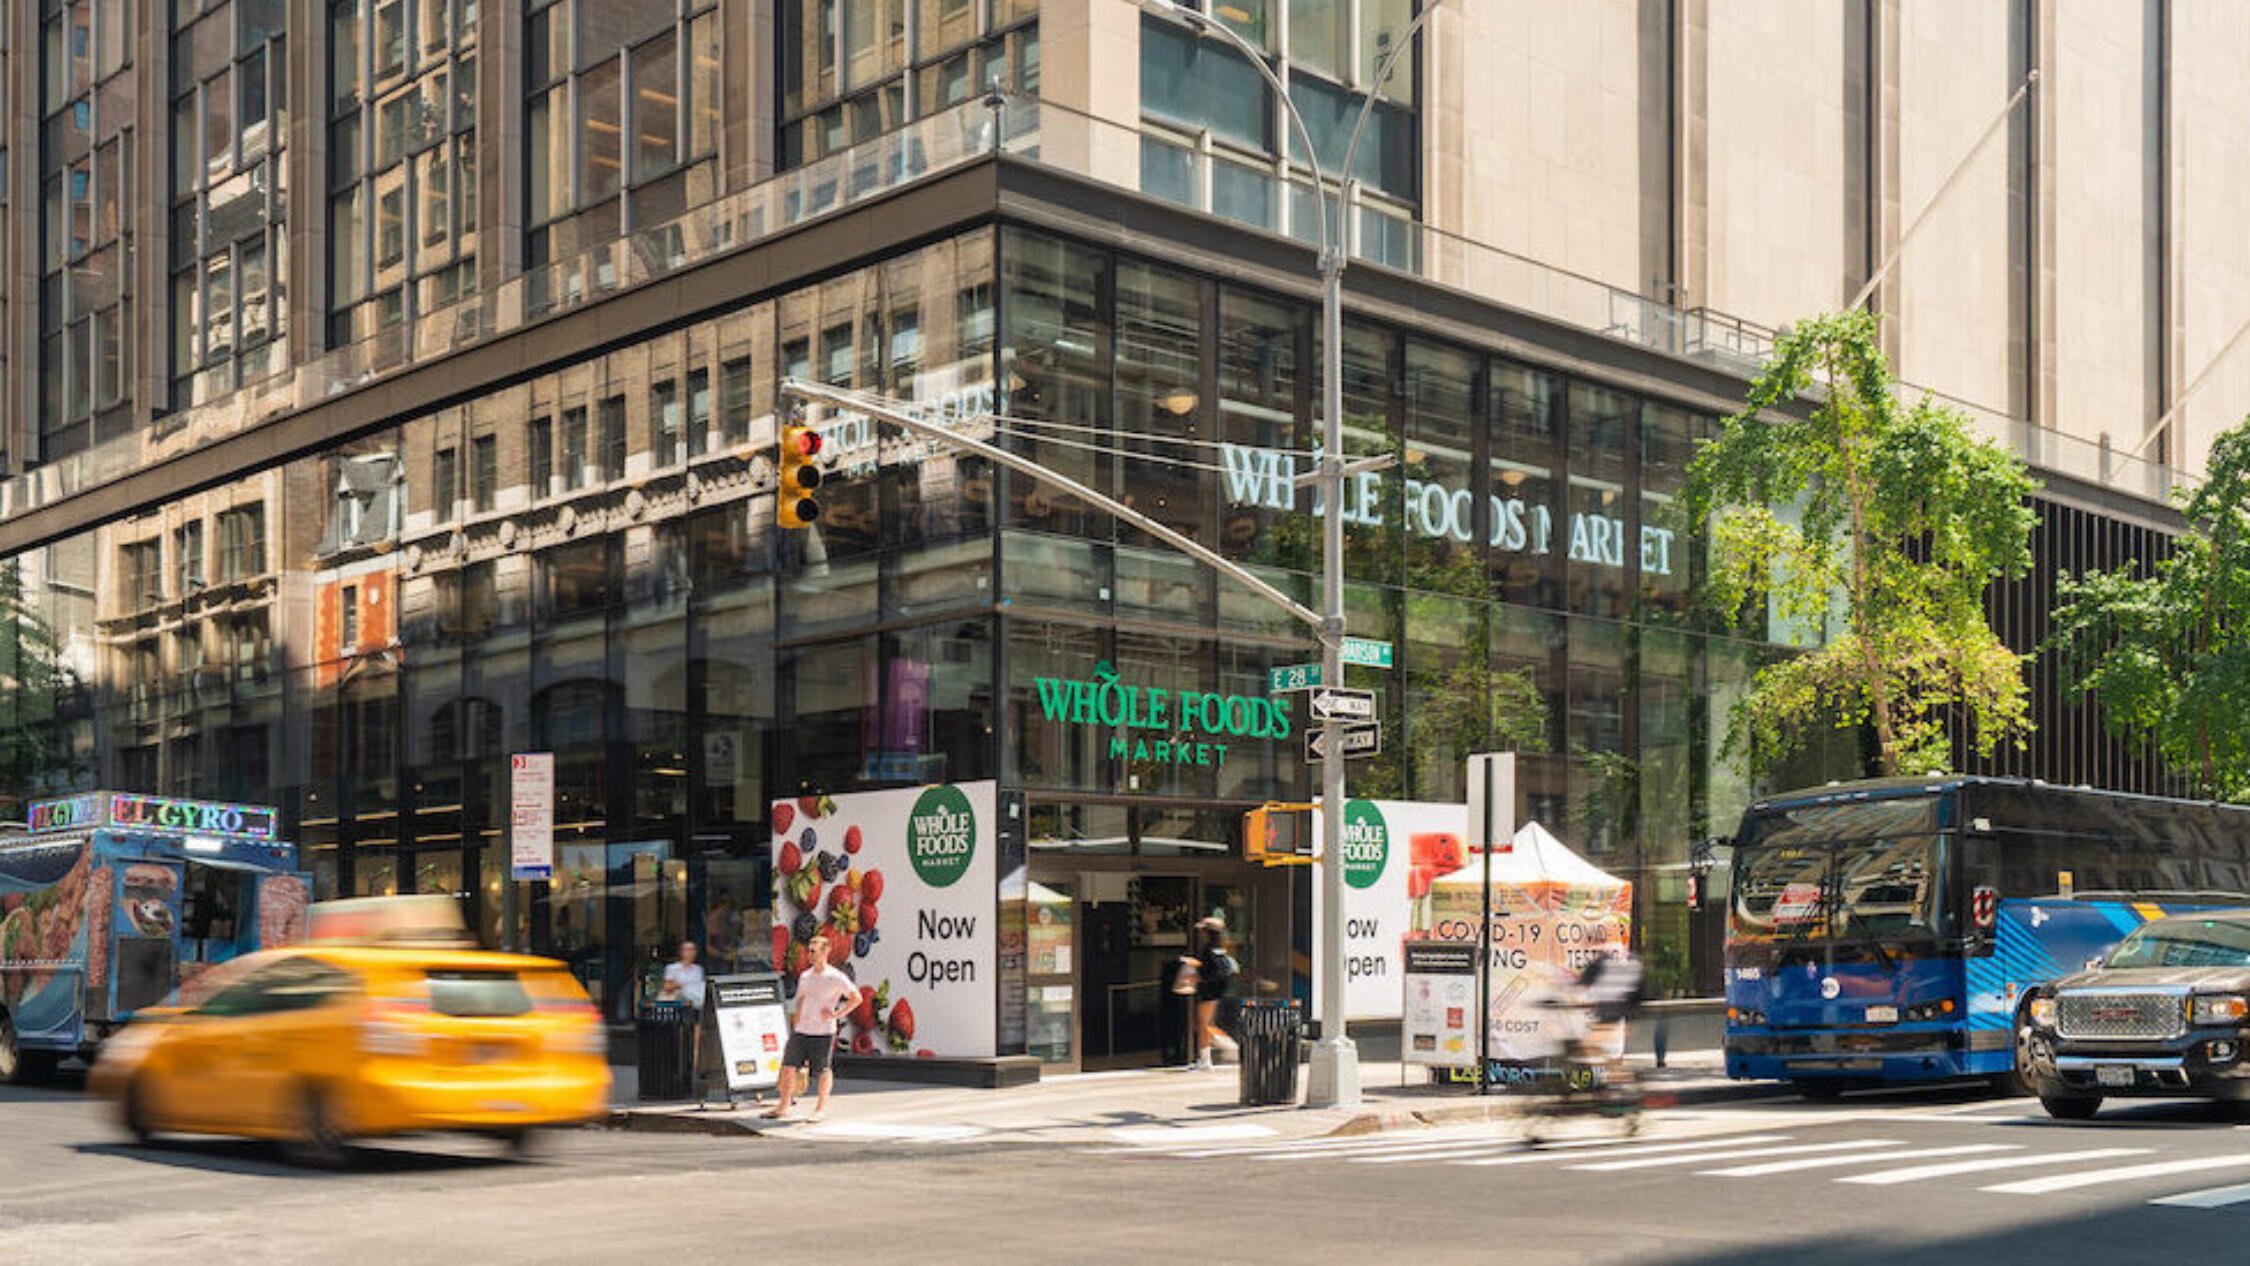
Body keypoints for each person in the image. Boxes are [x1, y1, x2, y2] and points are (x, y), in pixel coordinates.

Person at [765, 935, 858, 1120]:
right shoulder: (805, 976)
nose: (810, 955)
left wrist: (837, 1015)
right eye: (809, 951)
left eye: (814, 951)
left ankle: (820, 1109)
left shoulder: (835, 977)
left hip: (823, 1031)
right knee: (788, 1067)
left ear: (826, 951)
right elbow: (800, 999)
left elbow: (856, 998)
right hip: (801, 1030)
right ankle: (783, 1107)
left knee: (822, 1070)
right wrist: (797, 1020)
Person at [1191, 916, 1239, 1070]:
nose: (1200, 934)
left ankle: (1225, 1049)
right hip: (1216, 990)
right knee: (1203, 1024)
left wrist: (1197, 972)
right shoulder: (1220, 948)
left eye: (1203, 930)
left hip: (1209, 991)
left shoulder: (1208, 950)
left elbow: (1210, 971)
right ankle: (1205, 1058)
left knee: (1203, 1025)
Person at [659, 940, 706, 1014]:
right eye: (688, 950)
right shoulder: (672, 968)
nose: (692, 952)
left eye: (693, 950)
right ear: (682, 952)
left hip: (696, 1000)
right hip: (680, 999)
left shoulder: (698, 969)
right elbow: (667, 987)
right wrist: (683, 985)